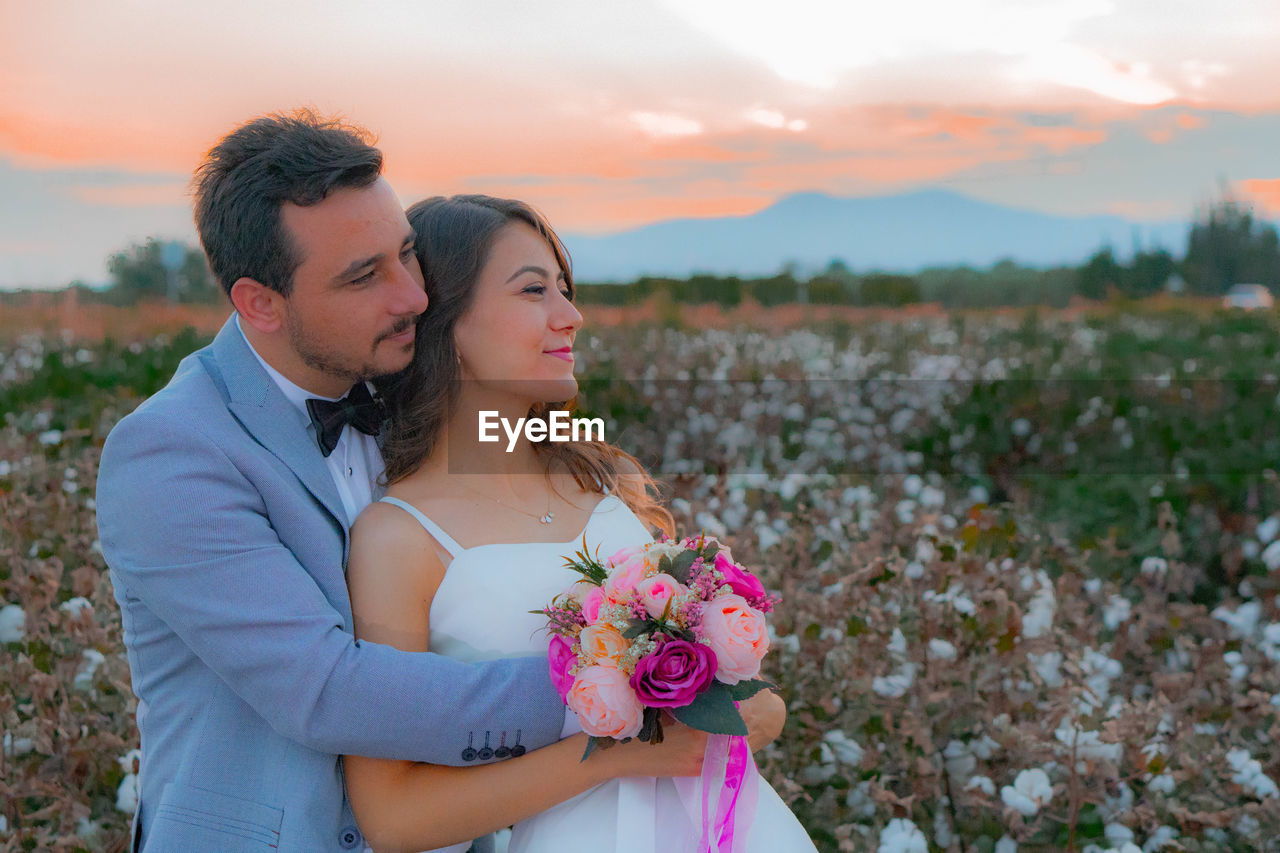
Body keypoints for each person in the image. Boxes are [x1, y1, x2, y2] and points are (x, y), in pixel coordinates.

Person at [96, 111, 757, 853]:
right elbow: (325, 690)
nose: (413, 295)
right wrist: (641, 679)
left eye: (405, 255)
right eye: (363, 275)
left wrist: (695, 629)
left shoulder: (416, 403)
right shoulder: (172, 454)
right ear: (260, 303)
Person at [344, 194, 815, 852]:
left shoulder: (600, 479)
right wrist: (622, 756)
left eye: (565, 290)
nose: (570, 316)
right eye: (534, 290)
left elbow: (723, 701)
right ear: (447, 324)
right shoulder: (398, 537)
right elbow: (394, 816)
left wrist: (749, 701)